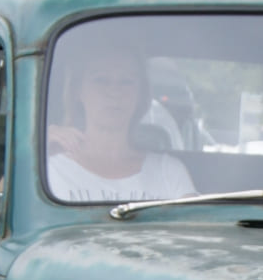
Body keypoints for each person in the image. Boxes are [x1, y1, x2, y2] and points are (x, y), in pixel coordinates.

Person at [46, 38, 195, 204]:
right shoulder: (49, 168)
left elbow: (195, 224)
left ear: (140, 94)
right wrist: (35, 149)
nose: (115, 91)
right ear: (77, 91)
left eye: (126, 81)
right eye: (101, 79)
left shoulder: (168, 171)